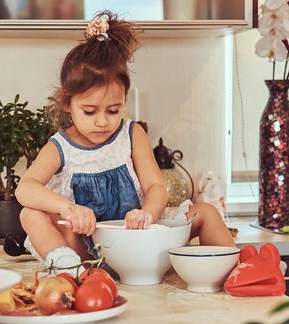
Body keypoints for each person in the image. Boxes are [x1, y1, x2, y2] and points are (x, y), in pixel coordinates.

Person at [15, 10, 235, 272]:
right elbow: (25, 189)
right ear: (67, 103)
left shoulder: (132, 134)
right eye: (90, 111)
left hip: (136, 240)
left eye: (113, 110)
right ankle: (68, 270)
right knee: (30, 213)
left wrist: (147, 215)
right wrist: (68, 208)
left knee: (207, 212)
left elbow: (156, 187)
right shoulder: (59, 147)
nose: (102, 122)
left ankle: (236, 271)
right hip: (86, 251)